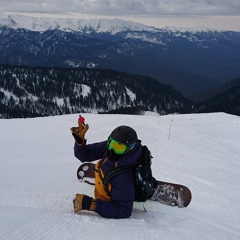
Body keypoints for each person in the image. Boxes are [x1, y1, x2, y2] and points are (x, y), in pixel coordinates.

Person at [70, 116, 143, 219]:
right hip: (110, 177)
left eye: (119, 148)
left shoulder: (124, 179)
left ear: (129, 150)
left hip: (113, 193)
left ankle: (105, 177)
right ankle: (103, 175)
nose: (112, 150)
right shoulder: (108, 147)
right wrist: (80, 144)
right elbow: (84, 155)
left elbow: (123, 211)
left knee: (113, 178)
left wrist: (92, 205)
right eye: (112, 144)